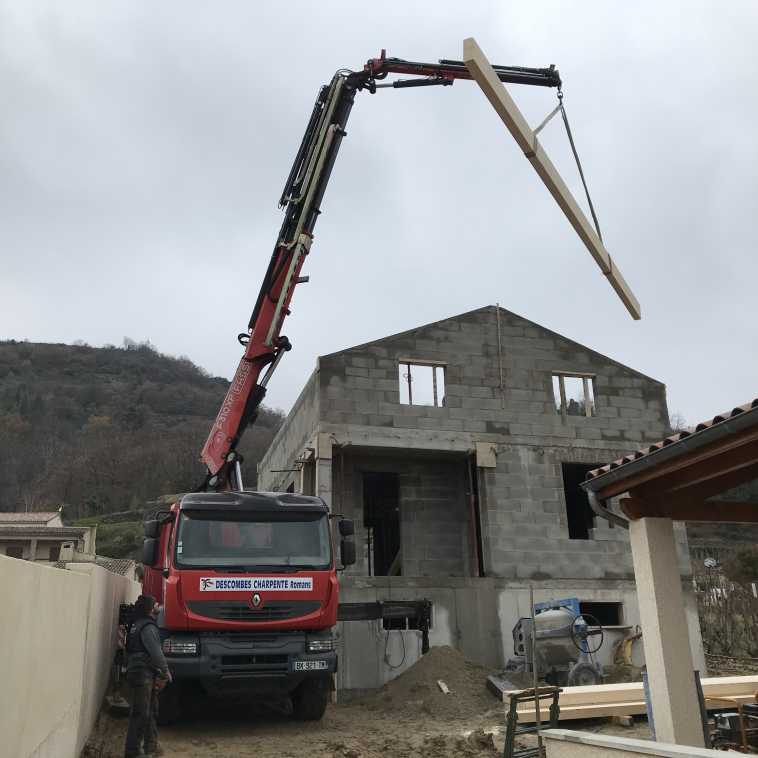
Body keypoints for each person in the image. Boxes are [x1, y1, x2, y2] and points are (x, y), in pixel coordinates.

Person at [124, 594, 171, 758]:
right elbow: (156, 653)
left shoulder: (136, 625)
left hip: (138, 671)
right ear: (151, 609)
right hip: (142, 674)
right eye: (156, 604)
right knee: (141, 713)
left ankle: (151, 748)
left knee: (149, 711)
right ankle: (133, 752)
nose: (159, 606)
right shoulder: (148, 627)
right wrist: (165, 672)